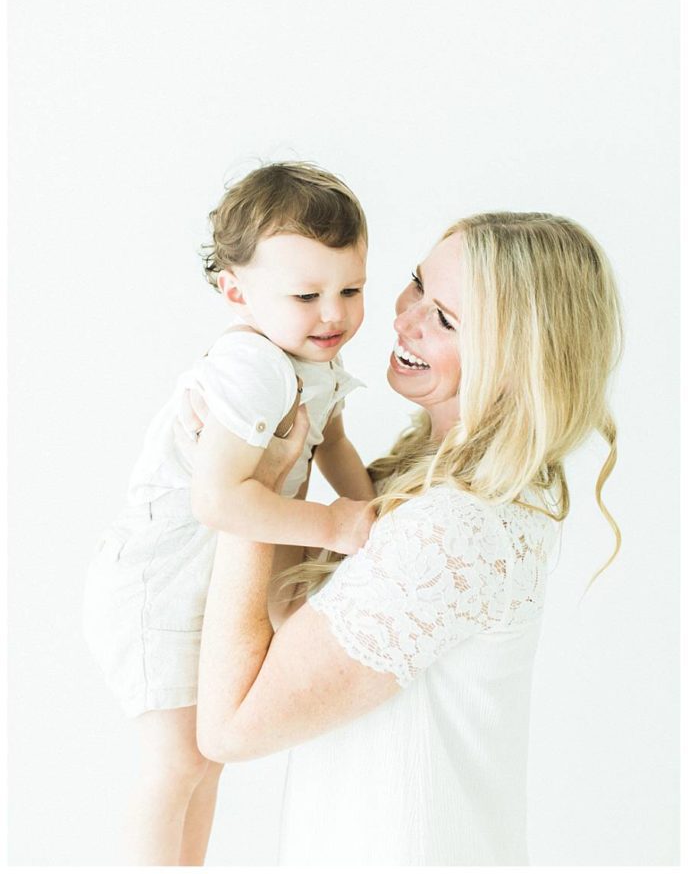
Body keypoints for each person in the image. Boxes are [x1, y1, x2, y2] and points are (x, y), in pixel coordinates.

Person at [196, 211, 623, 866]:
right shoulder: (444, 484)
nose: (403, 317)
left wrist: (242, 492)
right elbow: (294, 619)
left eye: (445, 319)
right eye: (416, 283)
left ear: (520, 364)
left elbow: (230, 726)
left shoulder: (452, 528)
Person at [81, 162, 376, 865]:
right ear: (236, 292)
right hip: (160, 580)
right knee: (176, 762)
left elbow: (332, 440)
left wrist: (370, 507)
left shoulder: (313, 358)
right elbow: (220, 501)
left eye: (352, 289)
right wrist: (337, 527)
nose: (333, 314)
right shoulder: (253, 367)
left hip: (207, 581)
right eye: (307, 294)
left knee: (206, 758)